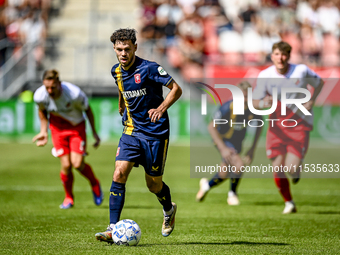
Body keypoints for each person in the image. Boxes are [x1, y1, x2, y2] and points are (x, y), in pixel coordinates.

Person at [95, 28, 182, 243]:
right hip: (131, 131)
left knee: (153, 185)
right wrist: (121, 105)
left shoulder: (150, 68)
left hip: (155, 133)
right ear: (114, 49)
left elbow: (176, 89)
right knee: (118, 173)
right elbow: (122, 88)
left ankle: (169, 209)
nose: (123, 53)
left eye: (126, 48)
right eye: (119, 49)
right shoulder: (116, 71)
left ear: (135, 47)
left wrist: (161, 109)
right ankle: (112, 227)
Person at [252, 41, 324, 214]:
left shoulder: (301, 71)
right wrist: (262, 102)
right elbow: (255, 101)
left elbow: (319, 83)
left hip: (299, 124)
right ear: (272, 56)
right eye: (277, 54)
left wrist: (312, 100)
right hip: (276, 125)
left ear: (289, 56)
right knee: (277, 167)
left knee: (290, 168)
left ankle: (296, 168)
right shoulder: (265, 75)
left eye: (284, 54)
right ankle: (289, 202)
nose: (280, 58)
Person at [32, 69, 103, 209]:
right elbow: (42, 111)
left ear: (59, 83)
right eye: (47, 87)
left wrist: (94, 132)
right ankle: (68, 198)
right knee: (66, 165)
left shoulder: (74, 94)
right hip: (57, 130)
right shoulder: (40, 96)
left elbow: (88, 110)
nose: (50, 91)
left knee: (77, 164)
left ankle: (94, 183)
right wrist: (43, 131)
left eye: (53, 87)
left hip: (76, 128)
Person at [196, 81, 263, 205]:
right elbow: (211, 127)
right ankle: (232, 194)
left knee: (224, 173)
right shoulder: (227, 107)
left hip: (237, 142)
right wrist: (223, 148)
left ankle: (206, 186)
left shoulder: (252, 109)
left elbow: (260, 125)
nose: (244, 99)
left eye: (247, 96)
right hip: (222, 140)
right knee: (238, 164)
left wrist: (252, 148)